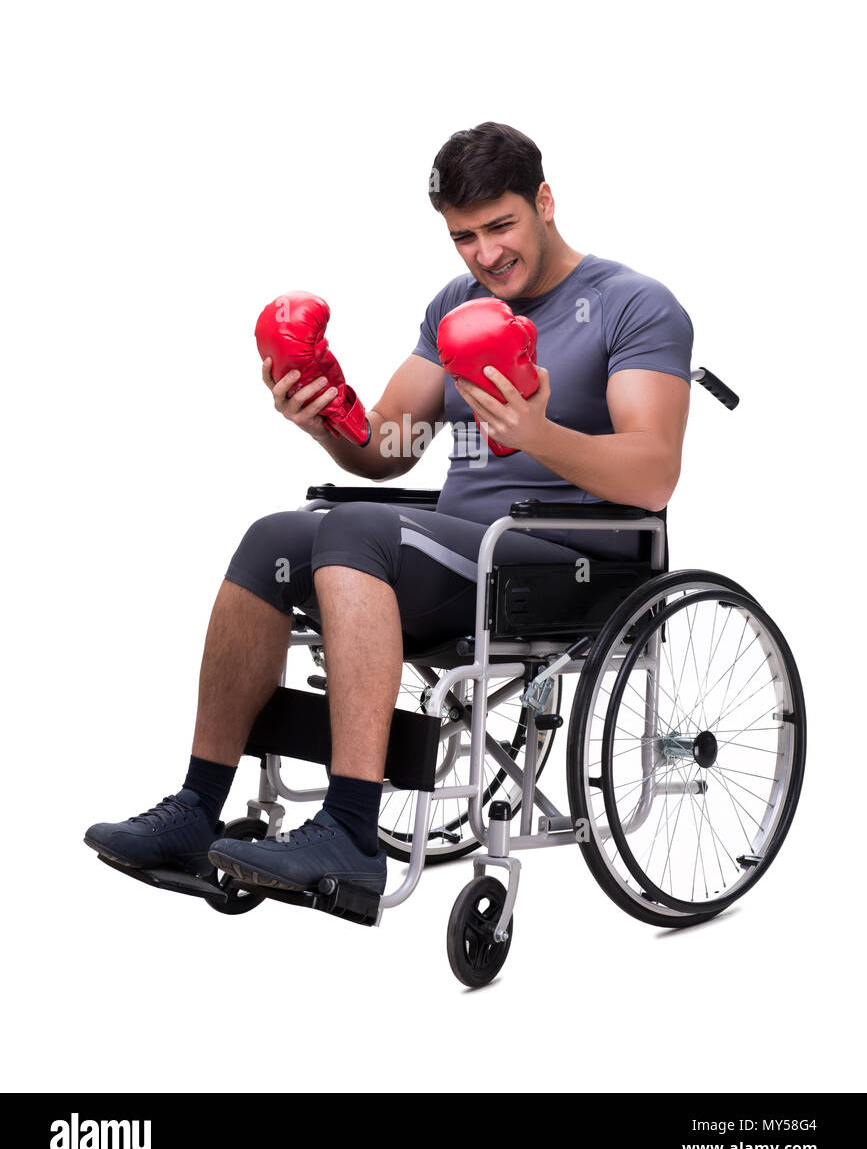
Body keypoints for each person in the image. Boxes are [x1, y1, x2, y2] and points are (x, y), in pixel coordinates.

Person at [84, 120, 693, 897]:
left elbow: (653, 474)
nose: (484, 254)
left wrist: (535, 432)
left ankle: (348, 830)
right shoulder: (457, 304)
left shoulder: (632, 305)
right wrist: (322, 415)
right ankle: (197, 807)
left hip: (568, 561)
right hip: (462, 551)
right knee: (272, 535)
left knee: (354, 530)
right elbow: (387, 447)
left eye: (501, 226)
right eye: (463, 236)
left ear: (544, 202)